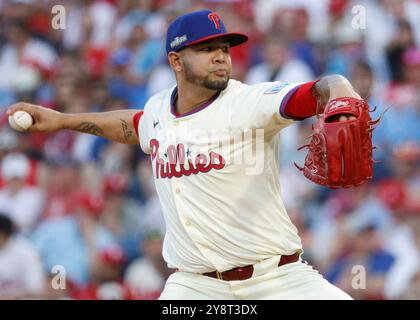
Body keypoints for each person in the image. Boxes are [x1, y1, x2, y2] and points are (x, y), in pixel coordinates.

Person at [7, 9, 363, 299]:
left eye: (224, 48)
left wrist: (342, 90)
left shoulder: (249, 101)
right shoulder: (160, 109)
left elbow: (319, 89)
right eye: (207, 49)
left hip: (277, 279)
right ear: (176, 60)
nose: (221, 57)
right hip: (195, 285)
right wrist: (62, 120)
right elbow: (132, 125)